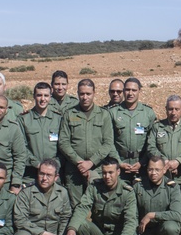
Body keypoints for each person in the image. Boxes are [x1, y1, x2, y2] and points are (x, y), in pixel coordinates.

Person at [65, 157, 143, 235]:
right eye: (104, 173)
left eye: (110, 172)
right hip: (100, 232)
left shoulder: (127, 192)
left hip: (117, 234)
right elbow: (83, 207)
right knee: (81, 224)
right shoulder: (94, 187)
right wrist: (72, 228)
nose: (107, 176)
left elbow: (130, 221)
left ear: (118, 172)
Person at [57, 79, 118, 208]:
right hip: (74, 170)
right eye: (82, 94)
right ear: (78, 94)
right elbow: (63, 142)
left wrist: (91, 162)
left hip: (97, 168)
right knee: (77, 207)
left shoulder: (103, 115)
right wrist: (79, 162)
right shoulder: (69, 114)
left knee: (99, 206)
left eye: (88, 94)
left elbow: (108, 143)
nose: (85, 97)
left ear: (94, 93)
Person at [12, 159, 71, 235]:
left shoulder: (62, 193)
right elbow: (20, 220)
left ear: (56, 177)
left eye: (49, 175)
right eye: (41, 174)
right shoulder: (26, 193)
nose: (44, 178)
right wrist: (42, 233)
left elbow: (65, 217)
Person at [134, 156, 181, 235]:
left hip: (163, 230)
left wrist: (152, 215)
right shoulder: (138, 186)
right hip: (146, 232)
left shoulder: (172, 187)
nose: (153, 173)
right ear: (147, 170)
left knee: (171, 228)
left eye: (157, 170)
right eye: (151, 169)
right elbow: (132, 216)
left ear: (164, 170)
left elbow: (177, 214)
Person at [109, 77, 156, 182]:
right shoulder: (113, 113)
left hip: (141, 166)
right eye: (127, 90)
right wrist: (119, 163)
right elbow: (109, 141)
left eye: (134, 90)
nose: (130, 93)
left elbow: (152, 141)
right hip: (119, 164)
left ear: (139, 91)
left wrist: (142, 162)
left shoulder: (148, 113)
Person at [146, 95, 181, 184]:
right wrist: (164, 161)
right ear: (166, 109)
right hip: (163, 177)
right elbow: (151, 147)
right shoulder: (158, 127)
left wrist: (178, 162)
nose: (173, 112)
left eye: (177, 109)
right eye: (170, 109)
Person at [18, 82, 62, 186]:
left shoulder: (58, 119)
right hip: (31, 175)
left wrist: (54, 165)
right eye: (39, 95)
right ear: (34, 96)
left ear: (50, 97)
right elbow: (21, 147)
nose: (43, 99)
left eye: (46, 95)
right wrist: (37, 164)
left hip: (53, 174)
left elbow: (63, 145)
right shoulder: (24, 119)